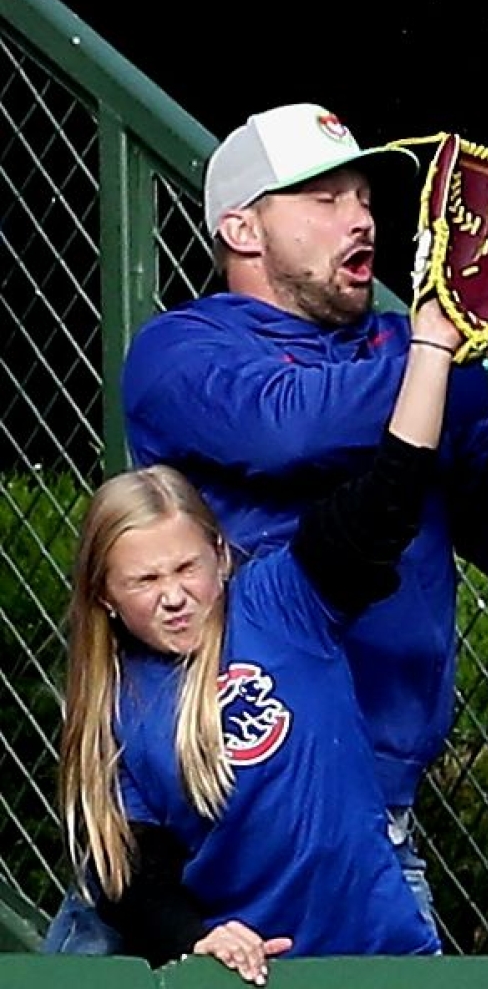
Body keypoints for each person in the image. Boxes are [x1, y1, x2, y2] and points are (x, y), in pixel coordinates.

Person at [43, 102, 488, 954]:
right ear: (242, 227)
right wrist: (472, 365)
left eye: (364, 199)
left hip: (365, 830)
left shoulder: (412, 351)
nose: (360, 218)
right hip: (201, 819)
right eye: (322, 199)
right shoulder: (181, 349)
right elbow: (291, 427)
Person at [58, 296, 462, 982]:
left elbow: (387, 498)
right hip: (249, 966)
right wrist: (198, 937)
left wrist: (431, 347)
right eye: (144, 579)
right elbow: (132, 866)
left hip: (376, 951)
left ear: (220, 556)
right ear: (104, 596)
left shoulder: (279, 602)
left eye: (186, 567)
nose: (173, 593)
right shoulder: (117, 699)